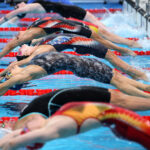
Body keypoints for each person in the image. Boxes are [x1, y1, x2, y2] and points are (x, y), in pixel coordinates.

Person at [0, 101, 150, 150]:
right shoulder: (52, 125)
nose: (26, 123)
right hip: (115, 119)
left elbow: (14, 141)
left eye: (25, 127)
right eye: (26, 128)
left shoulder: (51, 129)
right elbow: (15, 138)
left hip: (116, 116)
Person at [0, 33, 147, 81]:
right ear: (27, 54)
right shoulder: (39, 51)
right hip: (86, 44)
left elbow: (56, 34)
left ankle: (142, 76)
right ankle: (144, 77)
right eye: (21, 51)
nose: (21, 47)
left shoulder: (39, 45)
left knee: (120, 65)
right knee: (120, 64)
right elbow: (17, 64)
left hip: (83, 43)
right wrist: (2, 74)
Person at [0, 51, 150, 98]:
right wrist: (5, 79)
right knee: (118, 82)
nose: (10, 68)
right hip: (84, 67)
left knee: (119, 78)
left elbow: (10, 71)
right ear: (12, 77)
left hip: (85, 62)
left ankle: (146, 88)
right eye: (8, 72)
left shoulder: (29, 65)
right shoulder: (24, 75)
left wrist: (4, 76)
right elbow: (5, 84)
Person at [0, 0, 141, 48]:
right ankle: (123, 36)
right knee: (101, 27)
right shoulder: (32, 4)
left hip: (74, 12)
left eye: (16, 8)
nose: (16, 10)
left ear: (19, 5)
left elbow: (9, 16)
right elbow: (15, 17)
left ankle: (127, 39)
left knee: (102, 29)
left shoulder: (27, 6)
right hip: (69, 12)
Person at [0, 17, 136, 60]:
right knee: (102, 40)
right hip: (71, 27)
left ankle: (126, 48)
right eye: (21, 46)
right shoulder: (30, 36)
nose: (16, 35)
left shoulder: (30, 33)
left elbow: (10, 46)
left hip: (69, 25)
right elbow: (10, 46)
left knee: (103, 38)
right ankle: (126, 49)